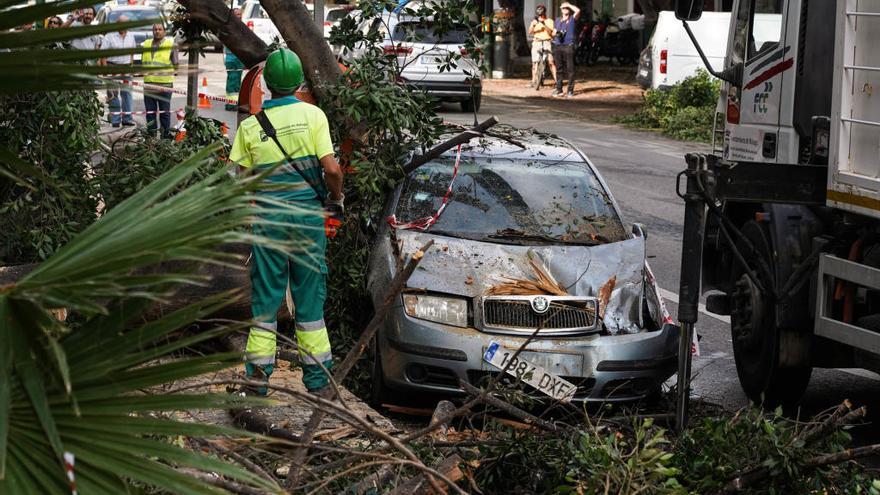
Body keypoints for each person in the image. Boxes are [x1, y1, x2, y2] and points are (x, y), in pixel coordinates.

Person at [229, 48, 345, 395]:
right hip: (308, 221)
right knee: (310, 300)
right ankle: (319, 381)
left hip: (268, 222)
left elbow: (240, 180)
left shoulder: (250, 127)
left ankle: (256, 380)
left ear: (263, 84)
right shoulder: (314, 116)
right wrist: (336, 199)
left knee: (266, 299)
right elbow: (332, 169)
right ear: (299, 82)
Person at [141, 24, 178, 139]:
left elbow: (176, 65)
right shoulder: (146, 44)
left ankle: (165, 136)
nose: (157, 31)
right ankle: (151, 137)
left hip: (164, 86)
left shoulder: (171, 45)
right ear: (152, 31)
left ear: (164, 32)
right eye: (155, 29)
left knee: (164, 113)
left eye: (160, 29)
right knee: (150, 113)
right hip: (149, 85)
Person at [100, 15, 136, 128]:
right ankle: (115, 120)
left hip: (126, 69)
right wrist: (106, 72)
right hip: (112, 68)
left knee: (127, 95)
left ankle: (127, 119)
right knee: (113, 95)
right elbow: (102, 56)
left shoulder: (131, 36)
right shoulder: (109, 36)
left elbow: (132, 53)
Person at [551, 1, 580, 98]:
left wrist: (569, 5)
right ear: (561, 10)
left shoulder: (572, 19)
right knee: (559, 69)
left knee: (570, 69)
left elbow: (578, 10)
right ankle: (559, 89)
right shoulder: (558, 20)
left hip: (568, 46)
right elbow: (553, 32)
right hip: (558, 45)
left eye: (566, 8)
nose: (565, 9)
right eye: (563, 8)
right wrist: (556, 34)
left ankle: (570, 90)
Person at [528, 4, 556, 86]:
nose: (540, 13)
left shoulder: (549, 21)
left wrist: (544, 24)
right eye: (538, 11)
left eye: (541, 11)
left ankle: (557, 80)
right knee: (534, 63)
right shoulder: (534, 21)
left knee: (551, 61)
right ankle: (533, 81)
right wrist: (533, 24)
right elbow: (530, 32)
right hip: (537, 42)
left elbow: (550, 33)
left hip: (547, 41)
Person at [224, 8, 246, 111]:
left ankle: (232, 102)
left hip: (235, 59)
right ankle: (231, 104)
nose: (239, 16)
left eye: (240, 14)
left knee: (234, 82)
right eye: (237, 14)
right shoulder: (232, 27)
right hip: (233, 59)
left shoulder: (233, 26)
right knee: (233, 83)